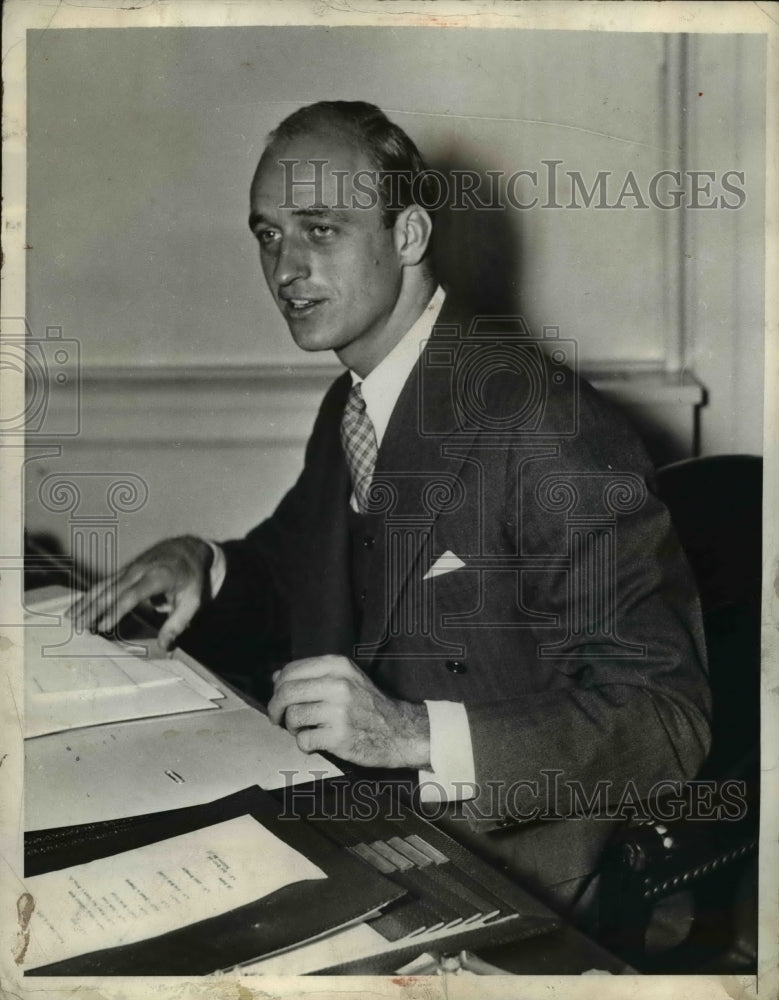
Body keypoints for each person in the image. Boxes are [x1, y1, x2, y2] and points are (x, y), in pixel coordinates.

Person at [72, 101, 711, 930]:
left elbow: (667, 718)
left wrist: (414, 734)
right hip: (390, 839)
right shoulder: (356, 401)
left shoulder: (538, 422)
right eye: (268, 235)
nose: (286, 268)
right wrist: (203, 562)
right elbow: (306, 574)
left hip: (538, 891)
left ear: (407, 237)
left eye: (320, 229)